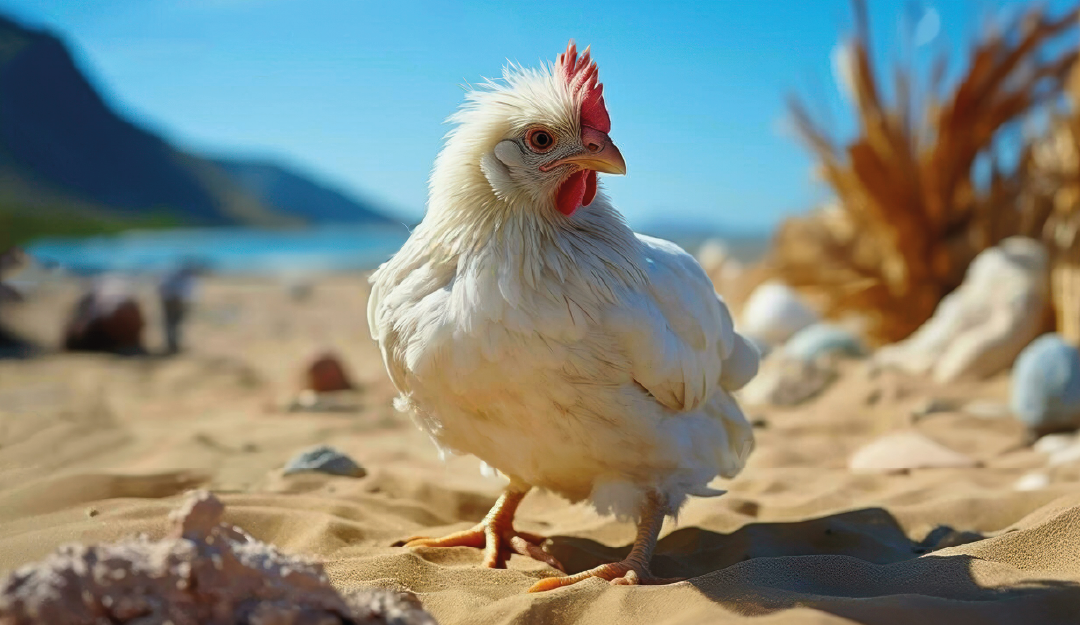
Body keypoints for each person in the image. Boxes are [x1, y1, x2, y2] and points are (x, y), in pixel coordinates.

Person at [158, 263, 198, 354]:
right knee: (174, 323)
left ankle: (173, 345)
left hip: (170, 299)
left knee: (172, 324)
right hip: (176, 299)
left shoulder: (171, 272)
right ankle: (173, 345)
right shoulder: (185, 275)